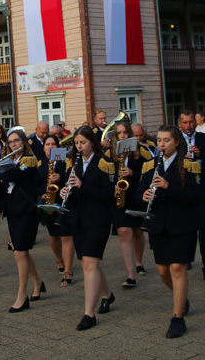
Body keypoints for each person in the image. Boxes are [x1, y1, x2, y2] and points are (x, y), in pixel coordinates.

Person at [138, 125, 201, 339]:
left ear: (176, 143)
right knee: (163, 272)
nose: (162, 144)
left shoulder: (189, 165)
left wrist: (168, 186)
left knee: (177, 268)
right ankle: (181, 299)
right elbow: (140, 192)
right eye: (160, 140)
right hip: (158, 224)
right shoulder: (150, 165)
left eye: (166, 140)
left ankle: (177, 319)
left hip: (182, 224)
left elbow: (194, 196)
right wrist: (145, 195)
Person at [60, 126, 115, 330]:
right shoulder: (75, 163)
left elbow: (108, 194)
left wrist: (83, 186)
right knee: (87, 263)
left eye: (83, 142)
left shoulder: (105, 163)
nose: (79, 146)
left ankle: (88, 314)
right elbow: (71, 188)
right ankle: (107, 295)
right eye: (76, 143)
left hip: (98, 220)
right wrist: (67, 191)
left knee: (90, 263)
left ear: (92, 142)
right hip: (78, 219)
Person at [0, 128, 43, 313]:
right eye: (10, 142)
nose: (13, 144)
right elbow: (3, 180)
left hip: (26, 211)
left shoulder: (29, 160)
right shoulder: (11, 160)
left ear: (24, 142)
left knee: (20, 252)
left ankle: (22, 296)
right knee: (21, 252)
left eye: (16, 141)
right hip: (13, 210)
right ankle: (37, 283)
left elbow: (11, 176)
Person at [178, 111, 205, 283]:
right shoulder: (175, 140)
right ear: (179, 124)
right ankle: (186, 259)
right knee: (185, 228)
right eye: (185, 123)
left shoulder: (204, 139)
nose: (188, 126)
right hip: (184, 190)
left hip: (203, 190)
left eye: (191, 122)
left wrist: (200, 154)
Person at [110, 122, 147, 288]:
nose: (123, 136)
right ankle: (130, 275)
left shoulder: (140, 153)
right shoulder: (109, 154)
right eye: (119, 133)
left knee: (137, 232)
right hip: (119, 198)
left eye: (125, 133)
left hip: (135, 196)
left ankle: (138, 261)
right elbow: (104, 176)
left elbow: (148, 174)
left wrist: (133, 173)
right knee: (125, 233)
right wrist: (113, 186)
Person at [38, 134, 75, 286]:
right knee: (53, 236)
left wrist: (61, 178)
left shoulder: (64, 162)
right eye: (48, 144)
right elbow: (36, 184)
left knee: (66, 236)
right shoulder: (40, 164)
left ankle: (68, 270)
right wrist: (42, 194)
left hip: (63, 201)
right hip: (48, 201)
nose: (51, 147)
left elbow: (71, 180)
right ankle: (59, 260)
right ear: (44, 147)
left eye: (54, 144)